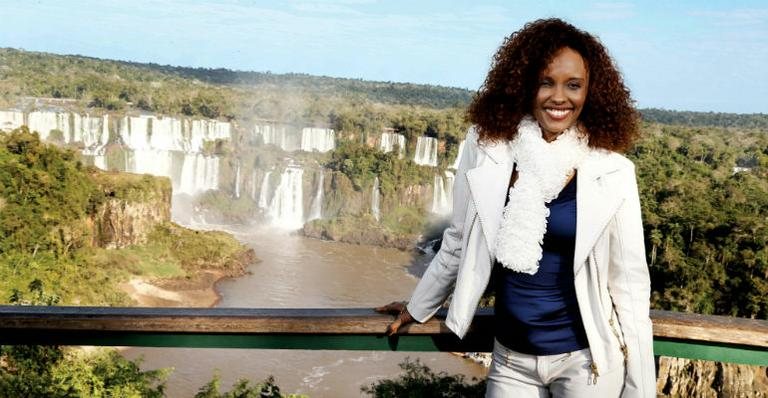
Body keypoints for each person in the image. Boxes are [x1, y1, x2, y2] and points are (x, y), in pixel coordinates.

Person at [376, 18, 655, 397]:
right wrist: (418, 306)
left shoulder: (612, 171)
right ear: (524, 84)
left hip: (586, 363)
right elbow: (458, 238)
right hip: (509, 361)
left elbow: (629, 286)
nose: (559, 97)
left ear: (591, 93)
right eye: (546, 82)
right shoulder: (488, 148)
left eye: (573, 85)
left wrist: (639, 390)